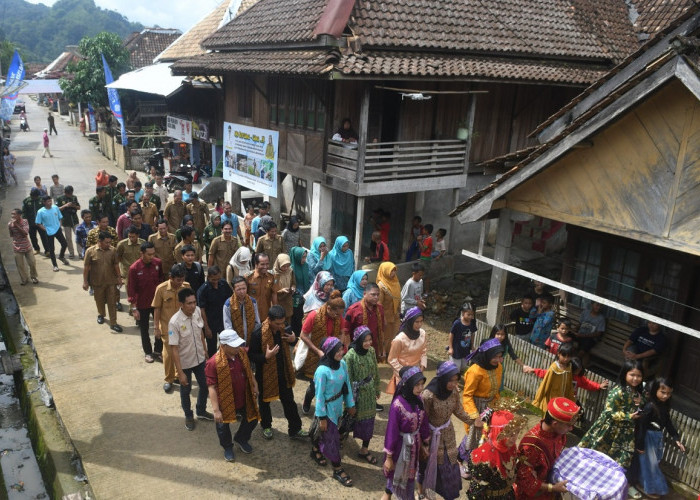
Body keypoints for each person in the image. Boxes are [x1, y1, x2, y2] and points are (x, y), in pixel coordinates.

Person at [248, 305, 308, 440]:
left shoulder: (284, 328)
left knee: (289, 402)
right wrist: (265, 357)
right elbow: (251, 355)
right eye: (277, 323)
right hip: (265, 374)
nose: (280, 326)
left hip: (283, 372)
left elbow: (292, 342)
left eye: (282, 322)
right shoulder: (258, 333)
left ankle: (295, 429)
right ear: (269, 320)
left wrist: (294, 340)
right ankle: (266, 425)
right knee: (264, 402)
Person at [419, 361, 473, 500]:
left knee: (450, 463)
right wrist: (424, 443)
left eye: (456, 380)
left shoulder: (454, 391)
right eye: (450, 380)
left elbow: (458, 409)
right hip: (431, 436)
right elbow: (423, 419)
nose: (453, 384)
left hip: (448, 434)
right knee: (428, 465)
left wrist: (472, 421)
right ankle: (423, 492)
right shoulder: (428, 396)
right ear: (442, 378)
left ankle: (449, 495)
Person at [579, 360, 645, 471]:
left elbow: (639, 405)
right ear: (625, 374)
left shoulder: (637, 392)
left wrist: (641, 402)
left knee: (620, 461)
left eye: (639, 376)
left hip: (626, 432)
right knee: (597, 455)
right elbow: (609, 412)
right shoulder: (617, 391)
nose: (635, 378)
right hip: (609, 429)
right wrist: (629, 416)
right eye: (632, 375)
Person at [205, 329, 260, 462]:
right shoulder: (213, 363)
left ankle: (241, 438)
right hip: (225, 400)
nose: (238, 348)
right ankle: (227, 447)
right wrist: (216, 410)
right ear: (223, 346)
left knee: (252, 418)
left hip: (243, 395)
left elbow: (248, 370)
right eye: (234, 345)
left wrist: (254, 384)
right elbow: (211, 386)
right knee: (223, 426)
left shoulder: (241, 354)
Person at [310, 337, 356, 487]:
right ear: (328, 352)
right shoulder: (322, 371)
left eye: (341, 349)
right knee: (332, 439)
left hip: (338, 407)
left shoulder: (342, 364)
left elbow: (347, 384)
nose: (340, 353)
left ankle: (315, 449)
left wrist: (350, 404)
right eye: (336, 351)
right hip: (327, 410)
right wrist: (321, 417)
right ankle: (337, 468)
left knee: (328, 433)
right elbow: (319, 396)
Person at [514, 397, 580, 499]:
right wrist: (552, 488)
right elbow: (524, 480)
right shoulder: (531, 446)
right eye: (569, 425)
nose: (571, 428)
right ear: (555, 423)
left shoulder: (559, 432)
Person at [382, 366, 430, 500]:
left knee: (408, 475)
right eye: (417, 385)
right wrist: (389, 457)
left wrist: (425, 443)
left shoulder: (419, 400)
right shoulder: (397, 405)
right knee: (398, 474)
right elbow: (391, 432)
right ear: (408, 385)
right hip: (399, 449)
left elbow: (424, 421)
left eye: (422, 384)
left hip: (414, 444)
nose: (420, 388)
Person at [169, 288, 213, 431]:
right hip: (185, 363)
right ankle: (188, 415)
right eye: (189, 303)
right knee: (185, 391)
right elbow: (174, 348)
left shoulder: (197, 312)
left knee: (205, 385)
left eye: (194, 302)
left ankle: (201, 410)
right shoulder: (174, 322)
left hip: (199, 358)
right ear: (181, 304)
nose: (193, 306)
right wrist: (180, 372)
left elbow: (200, 331)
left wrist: (205, 349)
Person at [458, 338, 504, 469]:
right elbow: (467, 395)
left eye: (500, 357)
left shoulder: (498, 367)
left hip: (491, 406)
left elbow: (496, 390)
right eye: (495, 357)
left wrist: (498, 406)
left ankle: (479, 460)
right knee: (473, 437)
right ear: (487, 355)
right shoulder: (475, 371)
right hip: (477, 407)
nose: (498, 360)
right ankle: (463, 459)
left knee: (487, 436)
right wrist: (475, 416)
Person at [636, 377, 685, 498]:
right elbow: (642, 427)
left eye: (668, 393)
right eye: (663, 392)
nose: (665, 396)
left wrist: (676, 438)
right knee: (650, 464)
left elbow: (668, 423)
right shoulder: (650, 407)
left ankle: (645, 484)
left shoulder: (664, 407)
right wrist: (640, 444)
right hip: (648, 438)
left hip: (657, 438)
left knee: (652, 463)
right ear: (655, 391)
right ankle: (648, 487)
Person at [299, 291, 346, 414]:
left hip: (333, 354)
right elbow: (303, 335)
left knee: (331, 383)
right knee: (315, 384)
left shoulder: (338, 317)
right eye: (336, 313)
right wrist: (317, 351)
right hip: (316, 355)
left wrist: (340, 346)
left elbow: (342, 332)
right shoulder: (314, 315)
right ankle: (307, 400)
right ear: (329, 308)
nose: (338, 316)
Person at [466, 409, 526, 499]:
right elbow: (476, 492)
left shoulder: (511, 447)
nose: (514, 438)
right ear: (497, 431)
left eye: (516, 432)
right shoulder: (483, 457)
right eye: (509, 433)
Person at [345, 326, 380, 465]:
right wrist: (349, 402)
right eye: (364, 340)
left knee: (369, 421)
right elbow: (347, 380)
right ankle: (340, 440)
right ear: (358, 340)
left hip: (369, 394)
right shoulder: (350, 356)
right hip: (355, 395)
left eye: (370, 339)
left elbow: (375, 371)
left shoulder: (371, 351)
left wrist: (377, 388)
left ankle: (364, 449)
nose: (368, 343)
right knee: (349, 420)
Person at [153, 264, 191, 392]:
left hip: (183, 326)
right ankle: (168, 379)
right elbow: (157, 308)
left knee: (181, 351)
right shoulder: (161, 289)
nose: (180, 282)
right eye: (177, 280)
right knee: (169, 354)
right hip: (167, 327)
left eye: (182, 279)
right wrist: (156, 327)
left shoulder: (186, 286)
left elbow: (190, 304)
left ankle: (177, 375)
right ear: (170, 277)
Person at [128, 241, 163, 363]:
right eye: (149, 254)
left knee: (159, 327)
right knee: (144, 329)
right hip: (142, 304)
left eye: (153, 254)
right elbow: (131, 289)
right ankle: (148, 352)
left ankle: (158, 351)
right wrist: (134, 308)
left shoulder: (158, 264)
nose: (152, 256)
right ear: (141, 253)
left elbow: (161, 282)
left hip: (157, 303)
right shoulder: (134, 268)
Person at [83, 231, 123, 332]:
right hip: (97, 282)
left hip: (111, 282)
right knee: (99, 300)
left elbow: (116, 265)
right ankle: (101, 314)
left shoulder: (113, 251)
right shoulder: (90, 251)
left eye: (110, 242)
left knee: (112, 302)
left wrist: (119, 278)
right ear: (99, 241)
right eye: (106, 242)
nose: (109, 244)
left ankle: (113, 323)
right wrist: (85, 282)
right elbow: (86, 267)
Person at [387, 307, 427, 394]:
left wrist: (422, 366)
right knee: (403, 399)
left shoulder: (423, 334)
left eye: (421, 321)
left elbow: (424, 351)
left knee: (416, 397)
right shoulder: (399, 339)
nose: (419, 324)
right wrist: (405, 373)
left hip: (417, 372)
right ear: (410, 321)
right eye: (416, 322)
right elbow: (392, 359)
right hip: (403, 374)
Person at [529, 342, 575, 413]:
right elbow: (544, 385)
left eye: (569, 356)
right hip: (551, 400)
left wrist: (571, 402)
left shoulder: (569, 368)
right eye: (563, 355)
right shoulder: (554, 368)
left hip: (562, 402)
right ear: (558, 354)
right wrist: (537, 401)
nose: (566, 359)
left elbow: (569, 387)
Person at [197, 266, 233, 357]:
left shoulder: (223, 284)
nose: (216, 282)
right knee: (212, 347)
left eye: (218, 279)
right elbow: (202, 309)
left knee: (226, 343)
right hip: (210, 322)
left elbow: (231, 299)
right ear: (208, 277)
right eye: (213, 280)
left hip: (223, 320)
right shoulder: (203, 290)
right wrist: (206, 327)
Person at [345, 283, 385, 359]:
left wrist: (382, 348)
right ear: (364, 294)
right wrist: (349, 351)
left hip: (373, 349)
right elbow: (346, 332)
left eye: (377, 295)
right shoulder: (353, 310)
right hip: (357, 350)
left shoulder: (380, 309)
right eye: (373, 295)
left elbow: (381, 330)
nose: (376, 297)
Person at [489, 325, 531, 390]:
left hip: (499, 369)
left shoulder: (506, 344)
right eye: (498, 334)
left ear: (505, 335)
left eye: (502, 334)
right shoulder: (488, 343)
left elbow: (513, 355)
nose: (500, 336)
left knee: (497, 388)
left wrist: (523, 365)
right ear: (493, 333)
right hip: (489, 368)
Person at [35, 196, 69, 271]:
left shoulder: (55, 207)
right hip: (49, 232)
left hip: (57, 229)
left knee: (64, 244)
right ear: (44, 202)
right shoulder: (40, 212)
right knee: (51, 249)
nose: (50, 203)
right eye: (48, 201)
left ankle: (61, 256)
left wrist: (59, 225)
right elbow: (38, 223)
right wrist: (45, 230)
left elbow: (60, 217)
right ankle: (55, 265)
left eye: (50, 201)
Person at [223, 276, 260, 344]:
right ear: (233, 290)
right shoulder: (228, 305)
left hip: (251, 339)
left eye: (244, 288)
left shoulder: (253, 302)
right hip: (236, 341)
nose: (242, 292)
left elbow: (257, 322)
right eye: (239, 289)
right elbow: (228, 325)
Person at [376, 262, 401, 357]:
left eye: (394, 271)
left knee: (394, 335)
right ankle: (383, 355)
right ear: (385, 271)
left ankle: (391, 353)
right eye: (391, 271)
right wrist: (383, 318)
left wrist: (399, 311)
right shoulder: (381, 286)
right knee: (385, 337)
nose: (393, 273)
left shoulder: (396, 282)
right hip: (386, 317)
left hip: (395, 315)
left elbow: (399, 298)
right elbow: (379, 304)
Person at [8, 208, 39, 285]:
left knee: (32, 262)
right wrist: (13, 225)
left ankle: (33, 277)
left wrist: (16, 225)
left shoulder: (25, 221)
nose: (12, 216)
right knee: (20, 265)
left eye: (14, 214)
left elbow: (25, 233)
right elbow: (11, 235)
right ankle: (24, 279)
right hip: (17, 248)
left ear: (19, 215)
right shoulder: (10, 224)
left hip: (27, 247)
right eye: (12, 214)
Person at [245, 252, 276, 321]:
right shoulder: (248, 277)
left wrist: (275, 310)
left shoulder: (272, 277)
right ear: (256, 264)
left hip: (266, 314)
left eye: (267, 264)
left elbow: (274, 293)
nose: (265, 267)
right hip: (252, 315)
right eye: (262, 264)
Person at [448, 303, 476, 375]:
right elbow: (451, 334)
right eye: (468, 314)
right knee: (456, 367)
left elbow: (472, 334)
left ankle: (456, 376)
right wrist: (450, 348)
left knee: (463, 366)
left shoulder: (472, 323)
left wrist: (472, 346)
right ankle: (453, 379)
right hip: (456, 349)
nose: (470, 317)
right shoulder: (457, 323)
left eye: (472, 315)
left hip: (465, 350)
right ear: (463, 313)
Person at [289, 246, 310, 334]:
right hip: (295, 297)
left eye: (305, 257)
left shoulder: (306, 266)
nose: (304, 259)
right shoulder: (291, 268)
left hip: (305, 295)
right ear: (297, 257)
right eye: (302, 257)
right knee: (296, 317)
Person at [56, 186, 80, 259]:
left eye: (71, 193)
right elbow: (57, 209)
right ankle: (71, 253)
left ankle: (80, 252)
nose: (70, 195)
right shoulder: (60, 199)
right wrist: (65, 205)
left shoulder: (74, 197)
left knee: (79, 236)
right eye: (68, 193)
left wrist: (74, 206)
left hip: (75, 220)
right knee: (68, 238)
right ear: (65, 192)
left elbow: (79, 207)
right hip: (66, 221)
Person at [22, 188, 48, 254]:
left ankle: (47, 250)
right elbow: (24, 212)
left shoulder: (42, 200)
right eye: (33, 196)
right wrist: (25, 222)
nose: (34, 197)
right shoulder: (26, 201)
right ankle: (36, 249)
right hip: (31, 223)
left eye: (35, 196)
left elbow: (46, 210)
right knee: (33, 237)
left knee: (44, 237)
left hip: (41, 223)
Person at [272, 253, 295, 323]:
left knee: (288, 320)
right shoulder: (273, 274)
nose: (286, 268)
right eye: (283, 266)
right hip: (278, 300)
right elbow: (271, 290)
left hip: (288, 299)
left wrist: (293, 288)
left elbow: (293, 283)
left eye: (288, 266)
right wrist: (281, 290)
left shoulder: (290, 271)